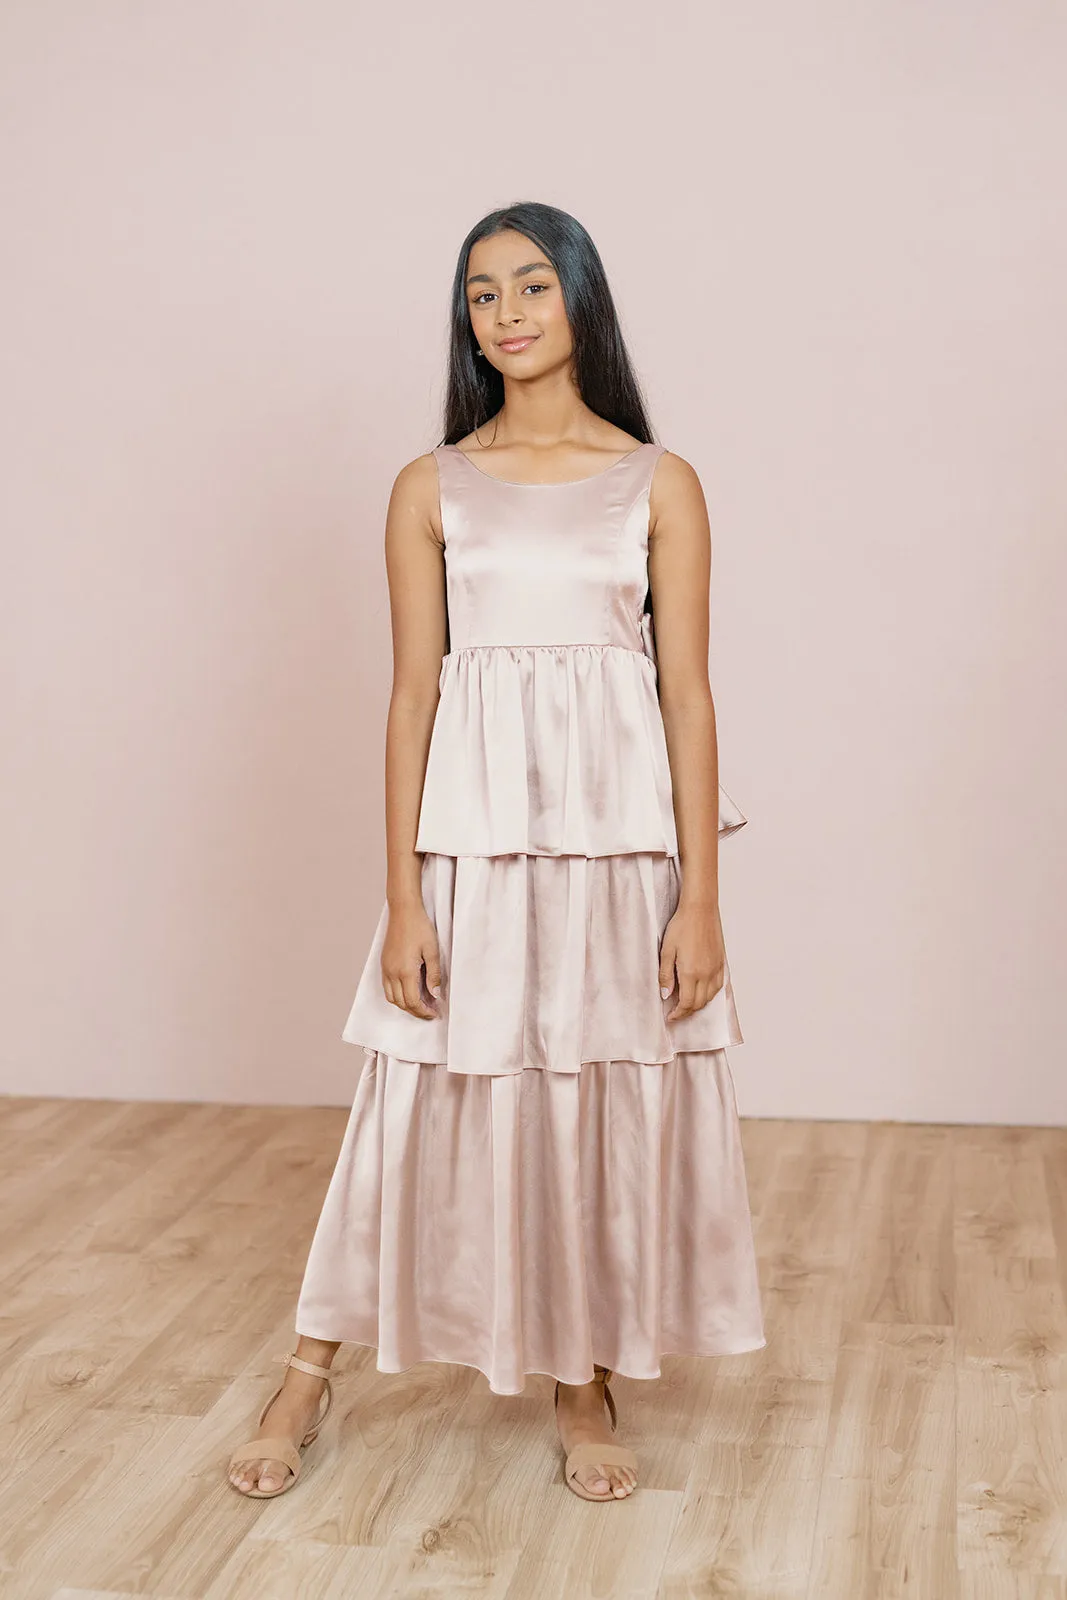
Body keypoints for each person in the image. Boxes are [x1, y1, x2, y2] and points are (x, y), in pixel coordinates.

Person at [227, 200, 765, 1505]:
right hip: (470, 849)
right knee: (417, 1095)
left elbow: (687, 696)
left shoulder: (659, 482)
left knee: (592, 1098)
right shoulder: (431, 487)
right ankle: (308, 1370)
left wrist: (702, 899)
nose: (508, 312)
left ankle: (583, 1379)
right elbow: (413, 695)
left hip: (615, 852)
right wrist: (402, 898)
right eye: (482, 293)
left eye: (532, 284)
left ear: (581, 298)